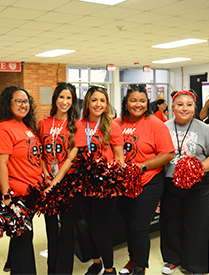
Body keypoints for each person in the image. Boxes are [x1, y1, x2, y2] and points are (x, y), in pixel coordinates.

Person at [160, 91, 209, 275]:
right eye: (179, 104)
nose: (184, 108)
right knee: (171, 223)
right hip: (170, 184)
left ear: (194, 108)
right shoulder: (163, 127)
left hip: (198, 186)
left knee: (197, 226)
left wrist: (197, 169)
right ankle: (173, 259)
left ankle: (196, 266)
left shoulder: (204, 129)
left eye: (189, 104)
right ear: (172, 107)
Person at [114, 84, 174, 275]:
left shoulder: (155, 123)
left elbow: (168, 153)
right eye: (133, 100)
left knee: (139, 226)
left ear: (147, 102)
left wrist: (142, 166)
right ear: (126, 102)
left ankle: (140, 267)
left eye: (142, 101)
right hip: (123, 183)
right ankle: (133, 260)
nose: (137, 104)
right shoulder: (117, 123)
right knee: (128, 224)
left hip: (148, 181)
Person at [0, 86, 42, 275]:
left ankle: (12, 264)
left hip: (31, 192)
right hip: (16, 194)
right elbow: (1, 164)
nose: (23, 105)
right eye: (18, 101)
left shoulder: (26, 126)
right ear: (7, 104)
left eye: (26, 101)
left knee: (22, 237)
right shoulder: (2, 128)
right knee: (24, 239)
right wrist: (6, 195)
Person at [39, 83, 86, 274]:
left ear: (73, 101)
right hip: (47, 181)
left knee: (66, 228)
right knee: (51, 228)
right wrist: (46, 175)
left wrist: (56, 180)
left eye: (69, 98)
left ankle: (64, 270)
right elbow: (41, 151)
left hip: (67, 182)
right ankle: (52, 269)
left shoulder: (77, 126)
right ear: (55, 99)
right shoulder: (43, 122)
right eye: (61, 97)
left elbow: (70, 158)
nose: (65, 102)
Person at [78, 86, 125, 275]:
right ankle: (96, 262)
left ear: (107, 105)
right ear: (87, 103)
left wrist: (111, 177)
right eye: (94, 100)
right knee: (89, 225)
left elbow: (119, 158)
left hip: (106, 186)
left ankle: (109, 268)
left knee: (100, 229)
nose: (98, 104)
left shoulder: (112, 126)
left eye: (102, 101)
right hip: (84, 184)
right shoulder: (78, 125)